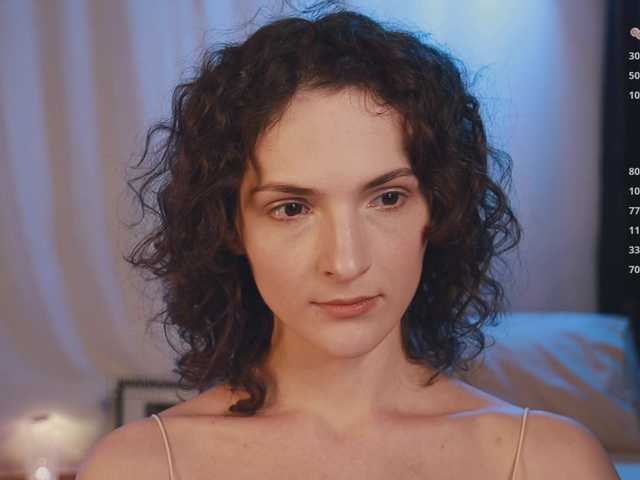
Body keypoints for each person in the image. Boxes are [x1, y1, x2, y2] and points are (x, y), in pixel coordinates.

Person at [77, 2, 620, 479]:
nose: (345, 261)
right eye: (292, 208)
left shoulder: (550, 462)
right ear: (230, 226)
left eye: (387, 198)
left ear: (438, 208)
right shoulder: (139, 467)